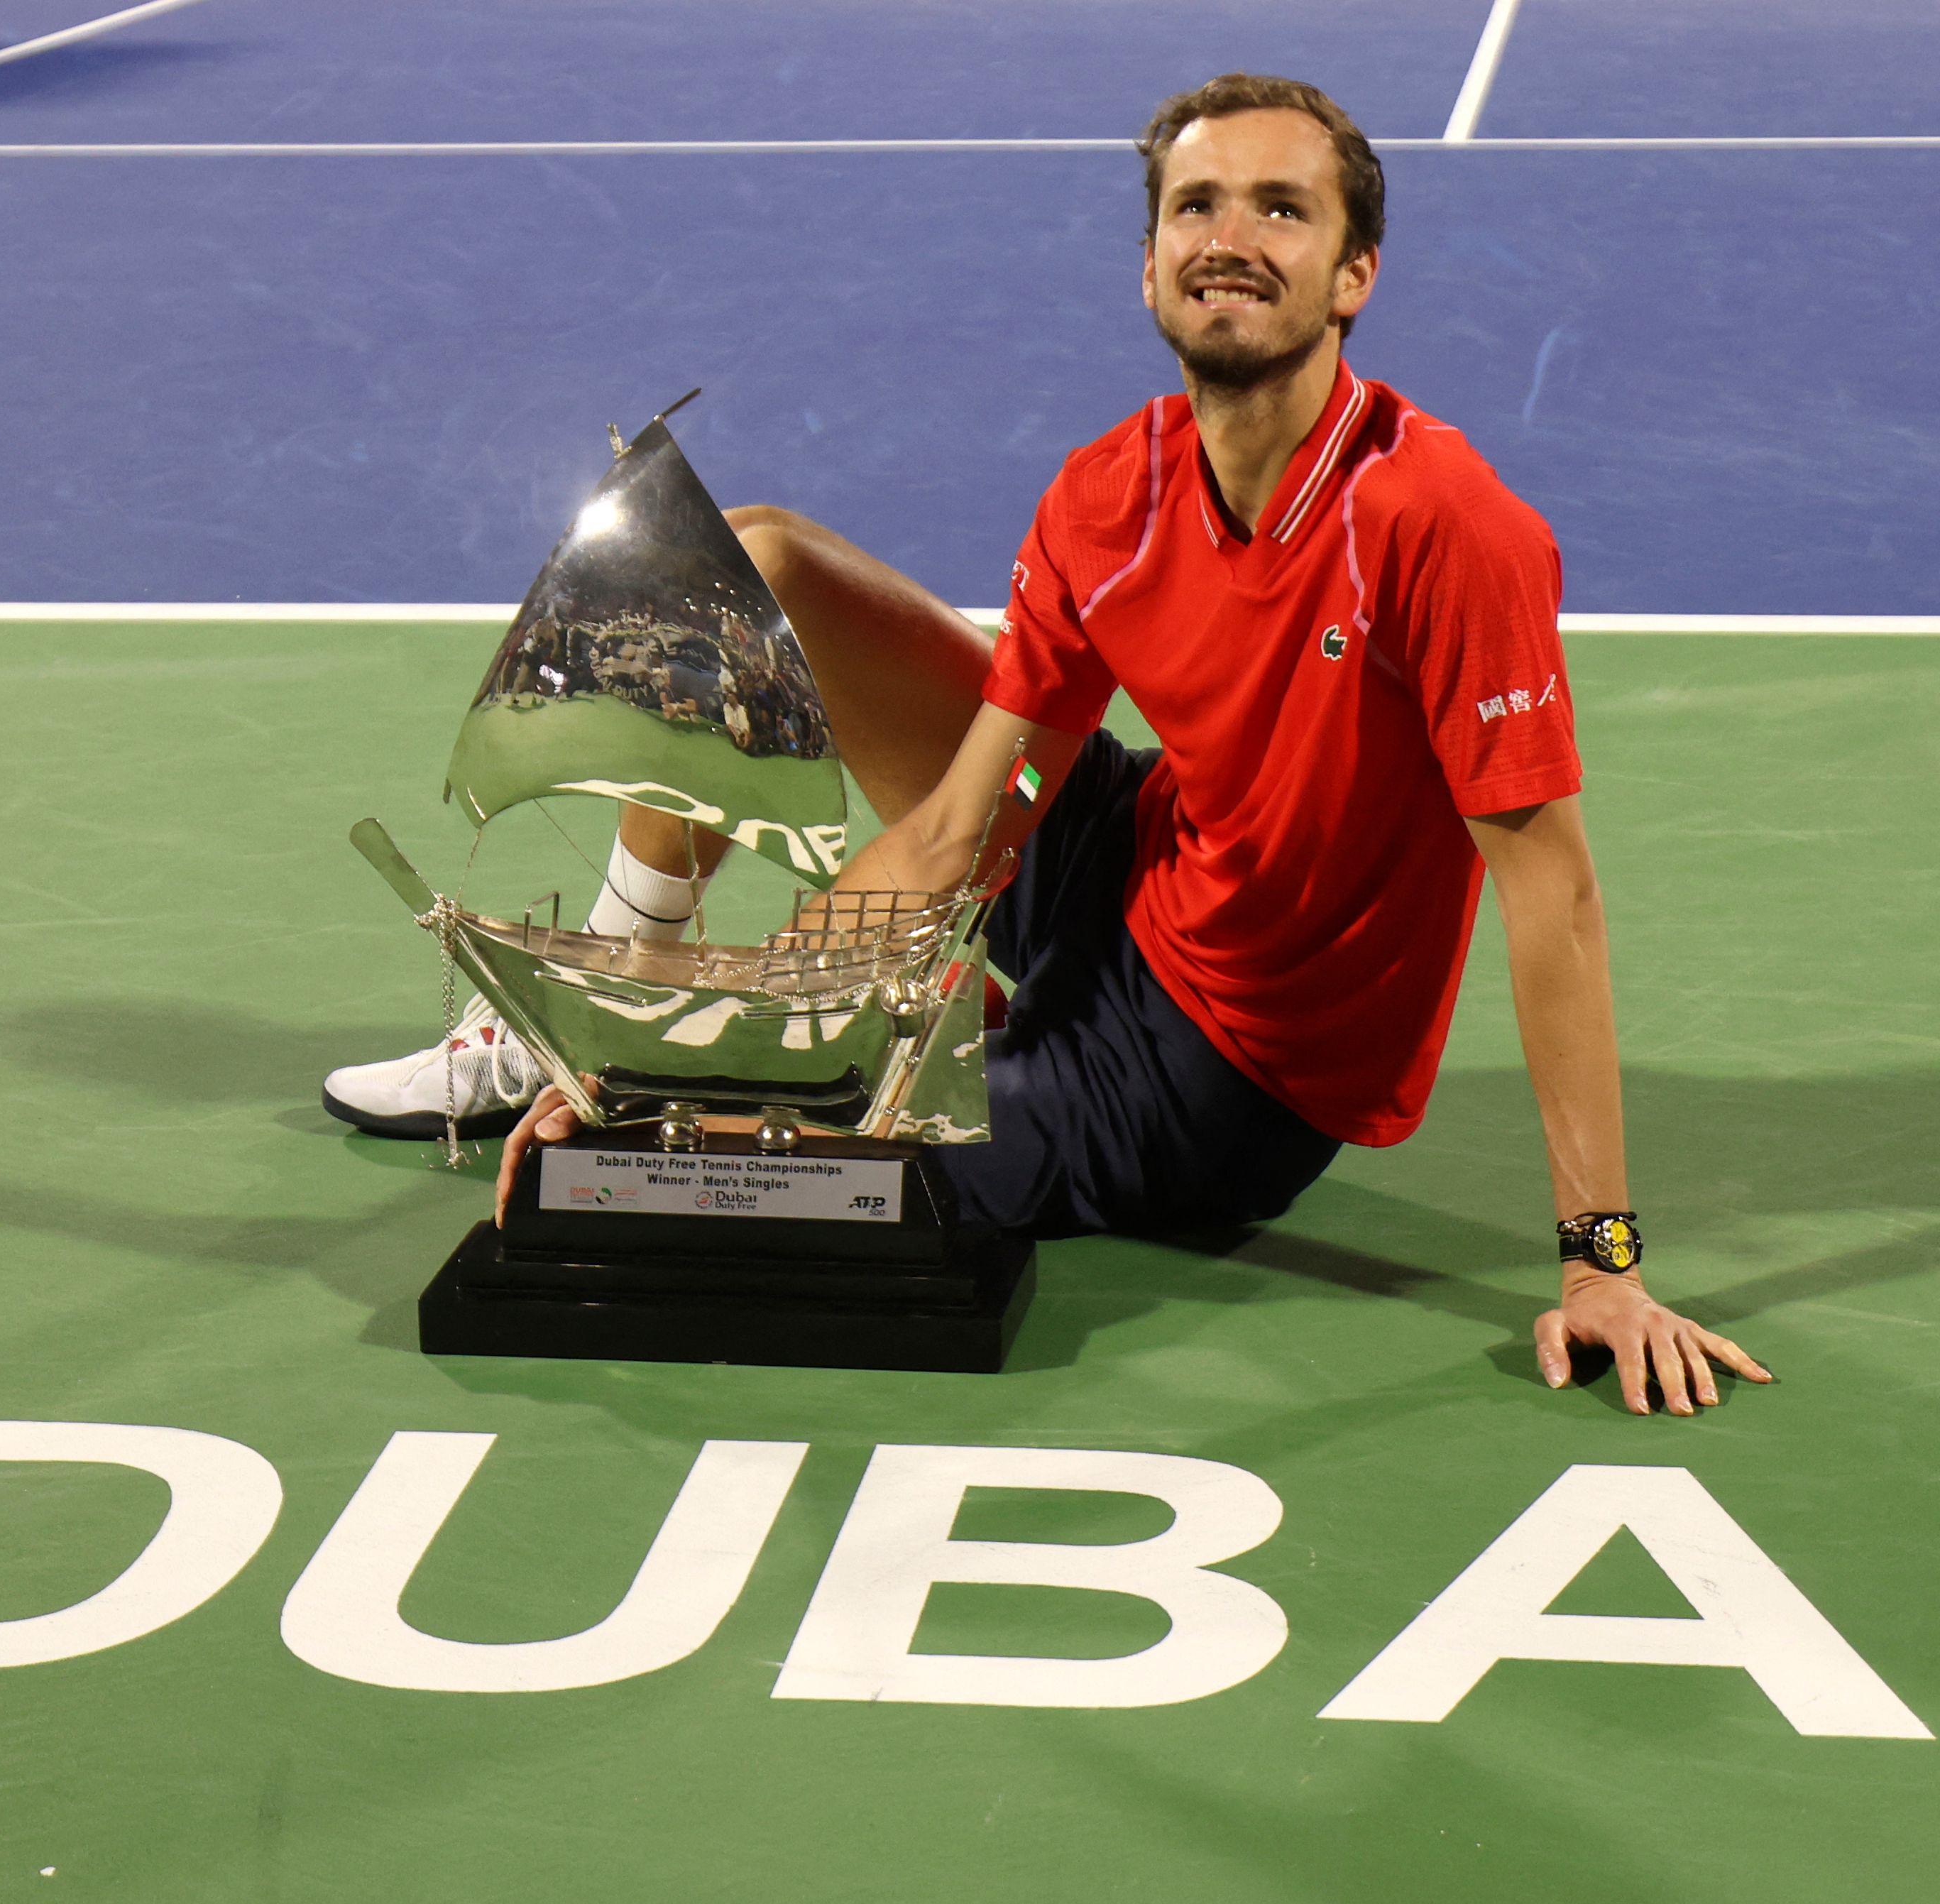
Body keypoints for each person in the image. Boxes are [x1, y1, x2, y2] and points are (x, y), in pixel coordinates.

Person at [327, 72, 1771, 1416]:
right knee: (747, 560)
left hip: (1224, 1070)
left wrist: (1605, 1256)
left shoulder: (1441, 531)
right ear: (1148, 264)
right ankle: (611, 990)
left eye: (1284, 208)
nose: (1230, 238)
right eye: (1195, 206)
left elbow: (1553, 898)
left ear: (1353, 278)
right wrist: (677, 1053)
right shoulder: (1107, 497)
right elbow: (975, 820)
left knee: (731, 1180)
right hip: (1133, 865)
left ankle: (843, 1072)